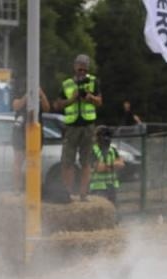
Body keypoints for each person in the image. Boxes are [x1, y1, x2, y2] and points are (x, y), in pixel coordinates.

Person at [56, 54, 102, 201]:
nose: (81, 69)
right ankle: (67, 193)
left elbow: (100, 102)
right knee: (67, 161)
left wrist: (90, 97)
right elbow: (58, 105)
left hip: (88, 126)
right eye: (79, 66)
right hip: (71, 127)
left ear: (87, 67)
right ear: (74, 66)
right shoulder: (67, 84)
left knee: (86, 162)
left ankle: (83, 194)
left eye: (84, 66)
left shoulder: (94, 81)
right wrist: (72, 98)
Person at [11, 85, 50, 192]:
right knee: (18, 161)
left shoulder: (39, 95)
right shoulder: (19, 90)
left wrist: (41, 95)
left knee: (34, 161)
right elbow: (16, 106)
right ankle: (17, 189)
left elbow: (47, 108)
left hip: (35, 131)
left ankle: (34, 188)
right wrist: (27, 95)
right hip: (20, 131)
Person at [88, 126, 124, 206]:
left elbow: (121, 164)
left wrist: (107, 166)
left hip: (112, 186)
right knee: (100, 209)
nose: (106, 139)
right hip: (98, 187)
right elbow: (99, 168)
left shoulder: (112, 149)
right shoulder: (93, 150)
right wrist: (114, 165)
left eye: (108, 136)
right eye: (103, 136)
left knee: (113, 209)